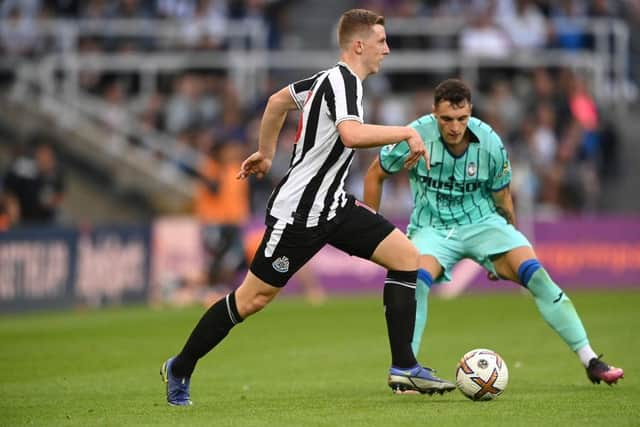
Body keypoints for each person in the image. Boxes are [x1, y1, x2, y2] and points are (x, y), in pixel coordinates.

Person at [160, 8, 455, 406]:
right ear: (359, 45)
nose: (387, 49)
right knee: (252, 299)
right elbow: (350, 135)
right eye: (382, 41)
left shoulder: (326, 80)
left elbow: (277, 101)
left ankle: (404, 365)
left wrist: (265, 154)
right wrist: (407, 132)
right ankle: (180, 365)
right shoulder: (342, 83)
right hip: (298, 213)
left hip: (333, 205)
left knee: (406, 257)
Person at [363, 78, 624, 387]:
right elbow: (375, 174)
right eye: (446, 119)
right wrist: (374, 229)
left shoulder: (490, 143)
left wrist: (505, 247)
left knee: (536, 275)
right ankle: (406, 371)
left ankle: (591, 360)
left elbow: (502, 199)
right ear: (434, 113)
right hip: (432, 228)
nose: (455, 127)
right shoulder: (414, 134)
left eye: (461, 119)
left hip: (484, 224)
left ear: (470, 112)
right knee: (414, 281)